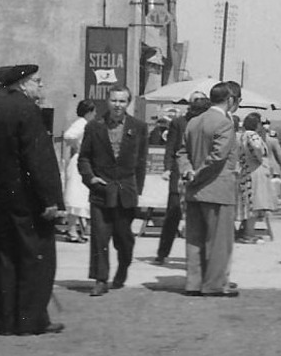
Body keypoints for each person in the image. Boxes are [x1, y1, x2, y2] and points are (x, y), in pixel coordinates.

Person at [0, 64, 66, 336]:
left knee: (4, 258)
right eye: (37, 81)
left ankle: (5, 319)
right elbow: (38, 160)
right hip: (27, 201)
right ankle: (30, 320)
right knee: (35, 258)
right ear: (23, 84)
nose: (41, 86)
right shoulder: (28, 111)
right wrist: (50, 200)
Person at [77, 86, 147, 296]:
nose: (118, 105)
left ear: (128, 103)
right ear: (107, 102)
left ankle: (124, 266)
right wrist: (90, 178)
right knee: (99, 236)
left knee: (124, 238)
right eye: (114, 101)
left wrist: (137, 189)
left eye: (122, 101)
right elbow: (84, 158)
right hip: (101, 190)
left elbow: (141, 161)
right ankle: (100, 279)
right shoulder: (93, 127)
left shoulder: (139, 127)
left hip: (126, 191)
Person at [175, 81, 241, 297]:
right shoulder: (224, 124)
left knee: (195, 239)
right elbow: (218, 157)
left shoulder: (193, 122)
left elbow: (182, 153)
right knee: (219, 241)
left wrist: (188, 172)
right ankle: (214, 284)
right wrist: (198, 174)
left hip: (194, 191)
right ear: (230, 100)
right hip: (218, 188)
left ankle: (194, 283)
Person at [156, 90, 209, 264]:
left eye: (201, 101)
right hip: (180, 173)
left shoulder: (208, 123)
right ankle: (163, 252)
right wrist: (167, 168)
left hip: (200, 174)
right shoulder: (179, 123)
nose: (197, 104)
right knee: (173, 213)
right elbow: (171, 147)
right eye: (195, 101)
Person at [236, 113, 280, 243]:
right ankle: (249, 234)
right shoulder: (252, 135)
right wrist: (259, 157)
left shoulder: (242, 135)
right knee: (255, 203)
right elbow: (256, 146)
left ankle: (246, 231)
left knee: (249, 203)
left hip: (247, 170)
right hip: (256, 171)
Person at [59, 100, 94, 243]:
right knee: (75, 197)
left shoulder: (84, 124)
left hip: (83, 162)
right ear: (89, 112)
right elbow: (69, 136)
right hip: (79, 163)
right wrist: (78, 148)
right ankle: (72, 230)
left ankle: (76, 229)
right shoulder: (81, 123)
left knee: (80, 198)